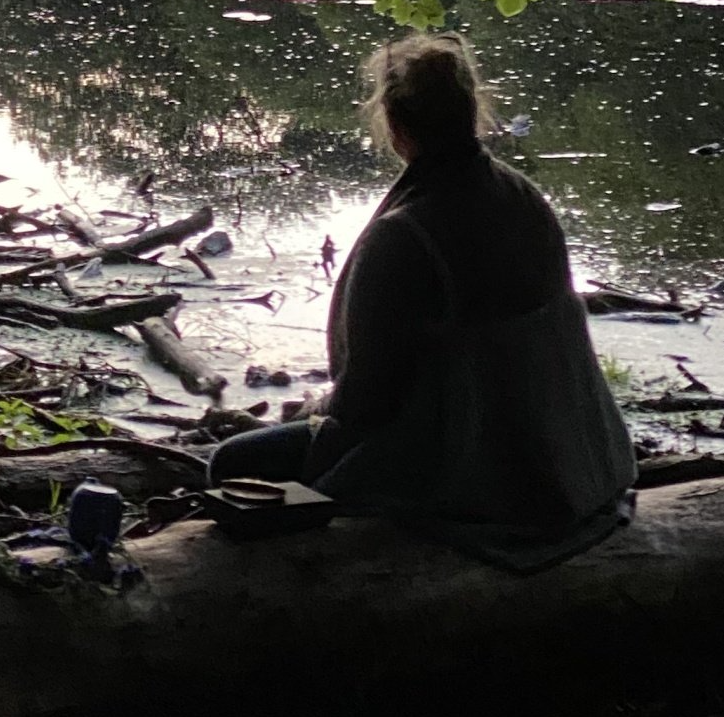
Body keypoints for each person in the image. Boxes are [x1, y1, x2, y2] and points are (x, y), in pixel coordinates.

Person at [209, 32, 636, 568]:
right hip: (570, 457)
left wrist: (319, 409)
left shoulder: (405, 235)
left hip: (474, 471)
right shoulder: (526, 197)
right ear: (471, 114)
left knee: (232, 463)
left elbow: (368, 404)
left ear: (394, 127)